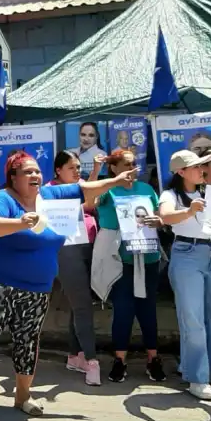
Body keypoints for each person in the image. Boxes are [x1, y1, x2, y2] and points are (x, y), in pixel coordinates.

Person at [0, 150, 135, 416]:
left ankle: (23, 396)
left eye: (37, 171)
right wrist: (19, 222)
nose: (35, 175)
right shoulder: (2, 199)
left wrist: (117, 181)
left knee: (28, 340)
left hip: (36, 285)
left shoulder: (51, 197)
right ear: (13, 177)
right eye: (28, 171)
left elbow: (86, 189)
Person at [159, 149, 211, 401]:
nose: (201, 170)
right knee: (193, 320)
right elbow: (165, 216)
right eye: (195, 167)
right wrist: (188, 210)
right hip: (186, 253)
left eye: (202, 167)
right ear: (181, 172)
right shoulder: (170, 194)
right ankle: (197, 377)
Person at [91, 148, 167, 384]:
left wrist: (159, 220)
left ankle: (153, 359)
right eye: (126, 165)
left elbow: (159, 216)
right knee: (123, 311)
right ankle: (119, 360)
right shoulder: (107, 189)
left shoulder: (146, 189)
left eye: (134, 164)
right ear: (113, 168)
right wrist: (96, 171)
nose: (132, 170)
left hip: (148, 257)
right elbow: (89, 199)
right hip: (120, 260)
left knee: (148, 311)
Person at [51, 150, 102, 386]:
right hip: (67, 252)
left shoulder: (81, 184)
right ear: (58, 170)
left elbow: (91, 204)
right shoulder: (50, 191)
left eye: (78, 166)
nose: (77, 171)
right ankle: (92, 361)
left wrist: (93, 176)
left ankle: (74, 356)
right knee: (82, 306)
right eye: (72, 167)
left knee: (79, 305)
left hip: (89, 248)